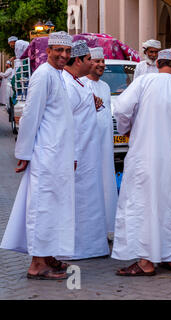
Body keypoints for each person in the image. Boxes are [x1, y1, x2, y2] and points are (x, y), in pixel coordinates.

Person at [112, 49, 171, 276]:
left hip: (147, 156)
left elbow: (121, 109)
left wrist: (128, 128)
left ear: (158, 63)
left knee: (146, 206)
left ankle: (145, 262)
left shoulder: (145, 82)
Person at [0, 31, 75, 280]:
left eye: (67, 51)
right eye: (59, 51)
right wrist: (23, 152)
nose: (63, 55)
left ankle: (47, 257)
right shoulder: (43, 75)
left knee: (53, 207)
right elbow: (30, 115)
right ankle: (36, 265)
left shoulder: (58, 74)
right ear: (49, 50)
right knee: (42, 208)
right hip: (46, 155)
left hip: (58, 155)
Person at [61, 40, 109, 260]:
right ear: (78, 60)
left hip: (89, 157)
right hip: (78, 157)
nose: (93, 63)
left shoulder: (77, 84)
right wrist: (72, 156)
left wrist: (93, 103)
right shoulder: (68, 85)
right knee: (78, 204)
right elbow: (66, 125)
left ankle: (90, 247)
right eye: (90, 59)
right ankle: (76, 249)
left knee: (89, 203)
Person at [81, 47, 118, 238]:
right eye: (97, 61)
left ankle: (107, 228)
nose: (102, 65)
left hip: (105, 147)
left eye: (103, 61)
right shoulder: (80, 85)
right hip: (88, 148)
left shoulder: (105, 87)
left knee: (106, 183)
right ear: (88, 63)